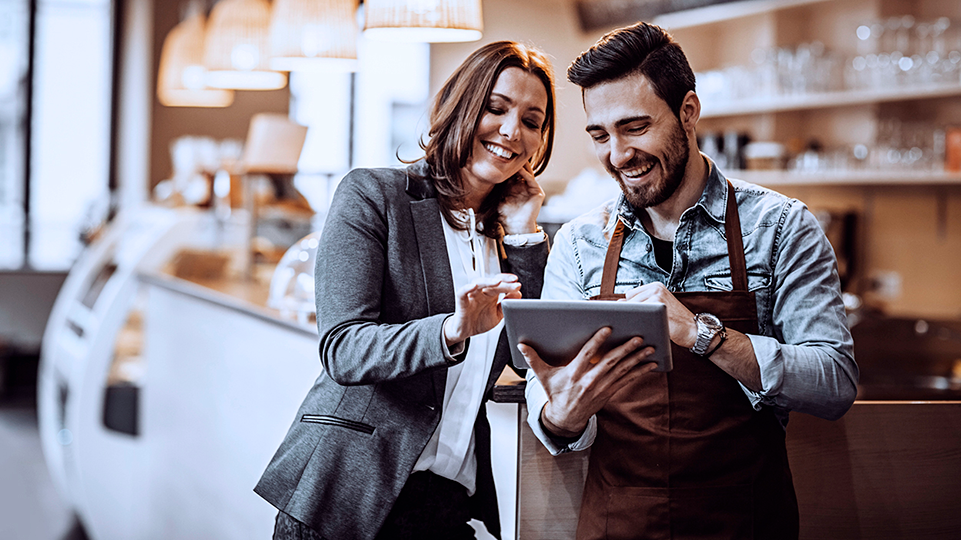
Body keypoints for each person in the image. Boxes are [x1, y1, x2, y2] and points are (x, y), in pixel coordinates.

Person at [520, 22, 859, 540]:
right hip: (618, 523)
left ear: (688, 111)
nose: (617, 155)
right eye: (600, 135)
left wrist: (703, 335)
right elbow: (550, 404)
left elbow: (833, 382)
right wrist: (559, 419)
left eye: (634, 127)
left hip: (746, 520)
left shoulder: (781, 227)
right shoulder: (578, 243)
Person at [255, 41, 555, 540]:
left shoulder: (512, 235)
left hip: (448, 505)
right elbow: (344, 349)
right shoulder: (374, 195)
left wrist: (524, 234)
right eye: (496, 108)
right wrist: (451, 331)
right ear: (460, 106)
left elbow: (530, 359)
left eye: (531, 120)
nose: (511, 132)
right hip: (349, 498)